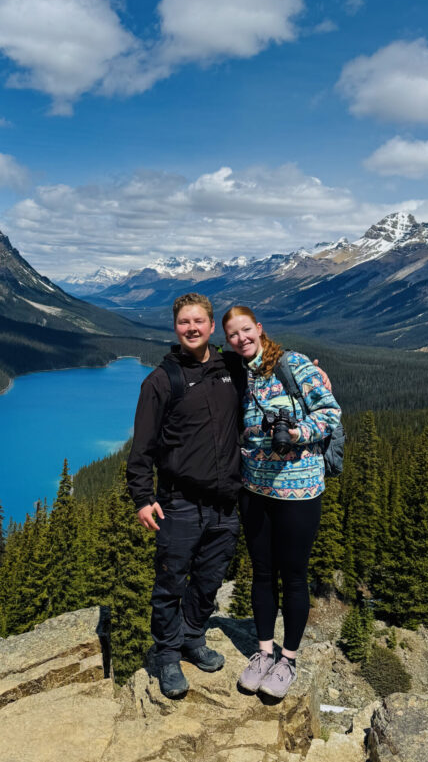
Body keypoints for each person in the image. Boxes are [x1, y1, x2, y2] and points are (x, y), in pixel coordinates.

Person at [126, 293, 243, 699]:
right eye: (183, 322)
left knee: (209, 581)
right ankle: (168, 654)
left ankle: (193, 638)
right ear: (175, 328)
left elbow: (269, 372)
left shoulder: (231, 368)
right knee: (170, 582)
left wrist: (311, 376)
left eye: (199, 321)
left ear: (213, 328)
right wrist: (142, 498)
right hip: (178, 504)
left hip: (226, 504)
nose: (191, 328)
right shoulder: (161, 381)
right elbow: (141, 448)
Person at [222, 305, 342, 698]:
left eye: (246, 330)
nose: (241, 339)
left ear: (259, 328)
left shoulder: (294, 365)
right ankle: (262, 653)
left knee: (293, 576)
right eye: (233, 335)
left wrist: (296, 431)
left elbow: (330, 412)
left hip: (299, 491)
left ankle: (287, 660)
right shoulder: (241, 372)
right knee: (260, 572)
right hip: (254, 490)